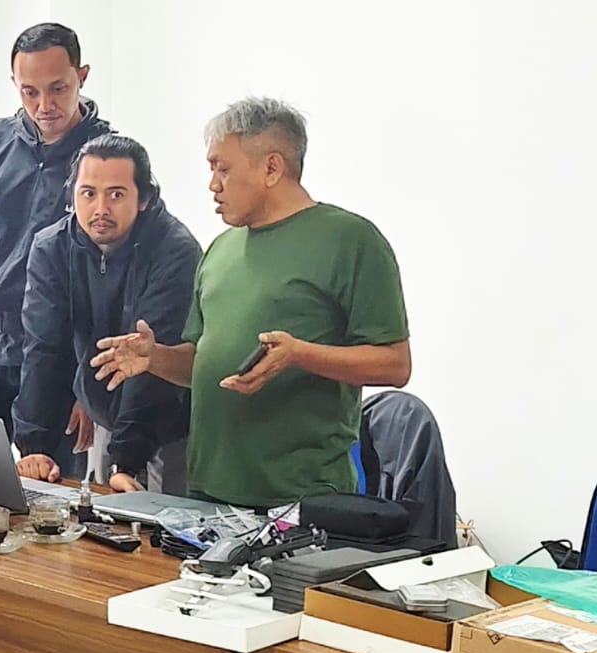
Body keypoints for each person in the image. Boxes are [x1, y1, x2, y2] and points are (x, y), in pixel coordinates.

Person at [93, 98, 411, 509]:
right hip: (206, 493)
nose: (213, 185)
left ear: (272, 168)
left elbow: (395, 365)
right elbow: (202, 364)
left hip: (301, 499)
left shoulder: (351, 241)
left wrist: (299, 355)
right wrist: (155, 358)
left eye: (223, 169)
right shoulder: (220, 249)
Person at [0, 22, 112, 479]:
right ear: (14, 83)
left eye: (58, 89)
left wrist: (90, 387)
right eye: (29, 92)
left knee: (56, 498)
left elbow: (115, 277)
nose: (44, 105)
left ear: (82, 76)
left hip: (63, 360)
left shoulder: (107, 160)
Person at [13, 134, 198, 493]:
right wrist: (35, 446)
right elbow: (43, 349)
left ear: (143, 198)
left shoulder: (176, 251)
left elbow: (152, 368)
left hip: (169, 421)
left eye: (116, 194)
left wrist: (126, 461)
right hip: (104, 414)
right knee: (103, 512)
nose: (100, 209)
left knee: (161, 517)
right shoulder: (52, 248)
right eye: (88, 193)